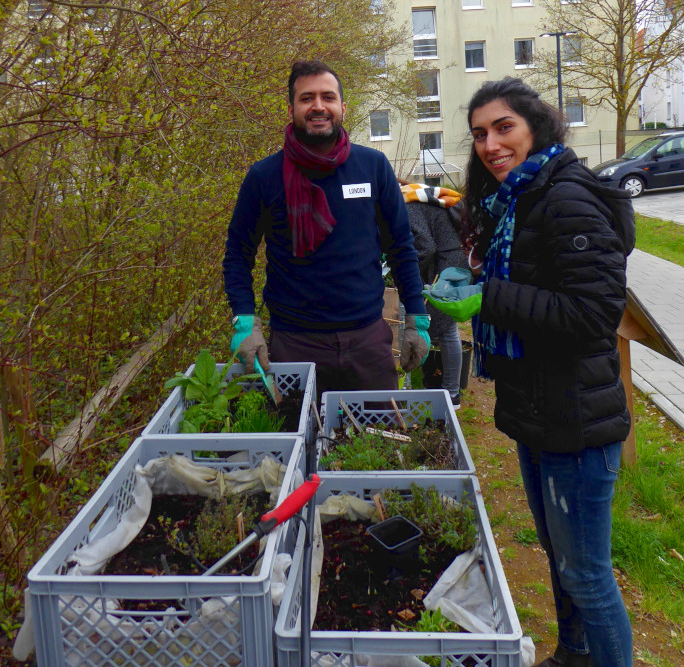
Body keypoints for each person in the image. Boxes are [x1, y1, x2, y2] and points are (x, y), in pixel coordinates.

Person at [424, 77, 635, 667]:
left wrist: (488, 297)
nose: (490, 144)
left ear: (535, 125)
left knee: (588, 576)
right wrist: (477, 283)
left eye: (503, 128)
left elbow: (595, 315)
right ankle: (572, 656)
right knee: (559, 558)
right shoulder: (516, 198)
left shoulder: (564, 197)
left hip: (577, 418)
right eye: (479, 135)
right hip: (538, 410)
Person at [223, 60, 429, 396]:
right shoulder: (264, 177)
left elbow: (401, 246)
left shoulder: (373, 167)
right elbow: (238, 253)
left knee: (375, 440)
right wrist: (245, 321)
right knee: (298, 440)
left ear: (343, 108)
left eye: (328, 97)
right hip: (293, 345)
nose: (318, 106)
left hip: (367, 341)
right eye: (307, 98)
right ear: (290, 109)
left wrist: (416, 319)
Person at [402, 183, 468, 409]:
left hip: (444, 267)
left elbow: (425, 248)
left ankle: (450, 394)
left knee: (445, 329)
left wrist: (406, 270)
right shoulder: (416, 196)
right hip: (452, 261)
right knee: (446, 328)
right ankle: (447, 390)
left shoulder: (408, 206)